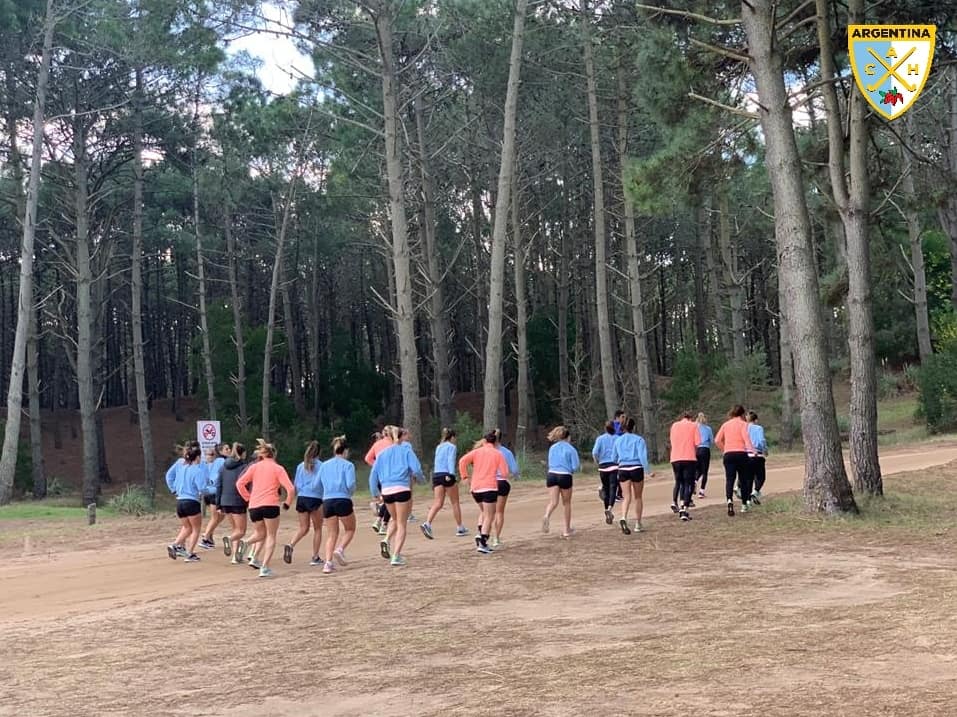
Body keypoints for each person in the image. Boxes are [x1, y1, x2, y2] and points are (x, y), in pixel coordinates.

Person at [235, 439, 297, 578]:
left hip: (254, 505)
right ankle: (265, 567)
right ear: (274, 455)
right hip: (270, 504)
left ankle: (246, 543)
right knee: (271, 536)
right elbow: (290, 489)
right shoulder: (278, 468)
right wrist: (287, 502)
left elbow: (239, 483)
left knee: (260, 533)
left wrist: (248, 498)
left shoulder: (254, 467)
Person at [368, 426, 423, 566]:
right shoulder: (406, 451)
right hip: (402, 489)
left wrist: (375, 493)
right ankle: (396, 555)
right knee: (402, 523)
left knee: (395, 519)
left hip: (387, 491)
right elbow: (416, 469)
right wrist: (422, 480)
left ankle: (387, 539)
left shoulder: (382, 454)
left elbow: (373, 475)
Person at [458, 430, 510, 554]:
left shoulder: (476, 452)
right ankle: (483, 541)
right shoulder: (497, 454)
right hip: (489, 487)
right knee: (489, 516)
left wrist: (464, 476)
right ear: (495, 442)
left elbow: (462, 461)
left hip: (475, 488)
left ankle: (480, 534)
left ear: (485, 441)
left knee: (483, 512)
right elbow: (504, 473)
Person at [317, 435, 357, 574]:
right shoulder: (348, 465)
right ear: (345, 451)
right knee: (350, 529)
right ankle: (340, 549)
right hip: (343, 499)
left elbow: (317, 483)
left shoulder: (324, 465)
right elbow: (350, 484)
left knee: (331, 533)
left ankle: (328, 563)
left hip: (327, 500)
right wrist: (349, 493)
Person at [421, 428, 468, 540]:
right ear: (452, 437)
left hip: (437, 474)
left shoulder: (439, 446)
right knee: (455, 502)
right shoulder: (451, 447)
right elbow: (450, 460)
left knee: (438, 502)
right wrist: (452, 474)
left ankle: (427, 523)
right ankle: (459, 527)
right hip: (446, 474)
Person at [283, 441, 324, 566]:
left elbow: (296, 484)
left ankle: (291, 544)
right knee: (317, 529)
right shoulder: (322, 465)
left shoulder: (301, 465)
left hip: (302, 498)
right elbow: (322, 482)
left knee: (303, 528)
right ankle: (315, 556)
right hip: (315, 498)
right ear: (319, 453)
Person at [165, 445, 207, 562]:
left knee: (187, 527)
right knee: (196, 529)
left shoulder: (182, 468)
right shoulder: (197, 471)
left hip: (180, 501)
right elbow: (202, 488)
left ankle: (175, 544)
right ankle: (190, 553)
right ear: (197, 457)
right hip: (192, 501)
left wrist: (174, 489)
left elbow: (173, 480)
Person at [613, 417, 652, 534]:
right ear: (633, 427)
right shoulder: (639, 440)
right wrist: (648, 470)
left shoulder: (618, 440)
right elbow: (642, 456)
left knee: (626, 496)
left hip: (623, 469)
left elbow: (613, 458)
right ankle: (638, 523)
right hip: (636, 468)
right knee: (638, 497)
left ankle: (623, 517)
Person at [715, 405, 755, 516]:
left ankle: (729, 501)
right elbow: (746, 439)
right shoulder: (743, 424)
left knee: (729, 479)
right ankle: (743, 505)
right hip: (741, 454)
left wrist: (725, 449)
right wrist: (753, 450)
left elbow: (717, 440)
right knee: (743, 479)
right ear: (742, 414)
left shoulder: (725, 424)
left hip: (729, 455)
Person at [542, 426, 580, 538]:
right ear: (568, 437)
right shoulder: (571, 449)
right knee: (566, 503)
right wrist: (571, 470)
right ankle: (566, 529)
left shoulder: (552, 448)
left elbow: (550, 462)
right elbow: (575, 466)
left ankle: (547, 515)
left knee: (553, 502)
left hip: (552, 474)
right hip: (565, 475)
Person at [215, 442, 250, 564]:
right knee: (241, 530)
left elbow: (218, 485)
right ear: (243, 453)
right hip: (238, 501)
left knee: (235, 528)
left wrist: (218, 504)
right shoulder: (244, 468)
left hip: (225, 501)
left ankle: (235, 556)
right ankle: (229, 540)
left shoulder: (223, 466)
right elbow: (247, 484)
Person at [669, 412, 702, 521]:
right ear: (691, 418)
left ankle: (678, 502)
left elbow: (672, 441)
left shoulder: (674, 426)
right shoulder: (693, 426)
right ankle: (685, 507)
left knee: (680, 482)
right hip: (689, 457)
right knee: (690, 483)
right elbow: (698, 443)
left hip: (675, 458)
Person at [199, 443, 230, 550]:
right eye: (226, 449)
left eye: (211, 454)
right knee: (216, 517)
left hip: (210, 492)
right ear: (220, 452)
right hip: (214, 492)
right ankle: (206, 538)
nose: (229, 450)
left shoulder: (209, 463)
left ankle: (208, 534)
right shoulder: (221, 461)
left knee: (220, 516)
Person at [365, 427, 396, 535]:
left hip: (377, 476)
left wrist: (377, 466)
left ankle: (379, 520)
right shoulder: (393, 444)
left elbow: (368, 458)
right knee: (390, 501)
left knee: (387, 500)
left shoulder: (377, 444)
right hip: (389, 477)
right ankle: (383, 524)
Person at [492, 429, 518, 548]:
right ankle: (496, 537)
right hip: (502, 482)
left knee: (487, 512)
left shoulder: (485, 451)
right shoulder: (506, 452)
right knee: (499, 512)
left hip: (488, 483)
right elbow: (514, 470)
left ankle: (483, 534)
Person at [591, 422, 619, 525]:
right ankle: (610, 508)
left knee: (606, 489)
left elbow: (594, 453)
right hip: (614, 466)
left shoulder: (600, 439)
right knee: (613, 488)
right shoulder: (617, 438)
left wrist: (598, 462)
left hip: (603, 467)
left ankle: (606, 508)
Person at [747, 411, 768, 504]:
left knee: (749, 478)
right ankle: (755, 492)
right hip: (757, 455)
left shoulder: (744, 428)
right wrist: (765, 450)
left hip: (746, 455)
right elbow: (761, 440)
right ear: (756, 420)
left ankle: (747, 500)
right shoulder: (759, 428)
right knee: (761, 477)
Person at [695, 413, 714, 498]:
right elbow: (712, 441)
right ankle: (701, 491)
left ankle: (694, 481)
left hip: (697, 449)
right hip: (705, 449)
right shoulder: (708, 428)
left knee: (698, 469)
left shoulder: (696, 428)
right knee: (705, 471)